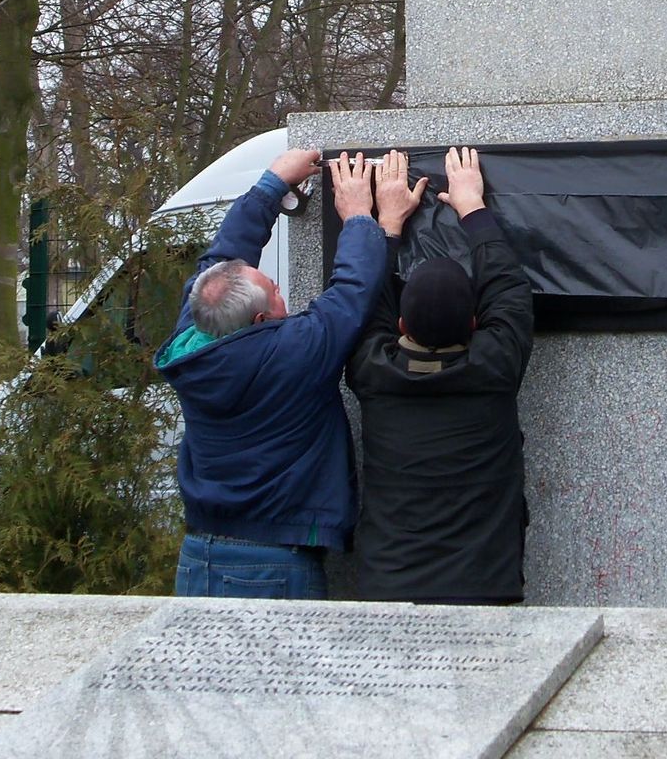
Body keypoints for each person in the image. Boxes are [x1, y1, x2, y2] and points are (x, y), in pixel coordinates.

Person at [154, 147, 425, 599]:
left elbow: (222, 257)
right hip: (272, 564)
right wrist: (358, 215)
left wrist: (271, 185)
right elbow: (351, 292)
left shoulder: (196, 329)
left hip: (199, 554)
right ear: (261, 322)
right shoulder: (292, 353)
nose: (281, 292)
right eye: (275, 294)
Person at [345, 146, 534, 604]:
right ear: (475, 324)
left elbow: (366, 305)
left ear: (402, 327)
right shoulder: (493, 366)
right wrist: (473, 206)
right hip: (485, 590)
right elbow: (509, 288)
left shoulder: (371, 371)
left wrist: (382, 223)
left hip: (386, 590)